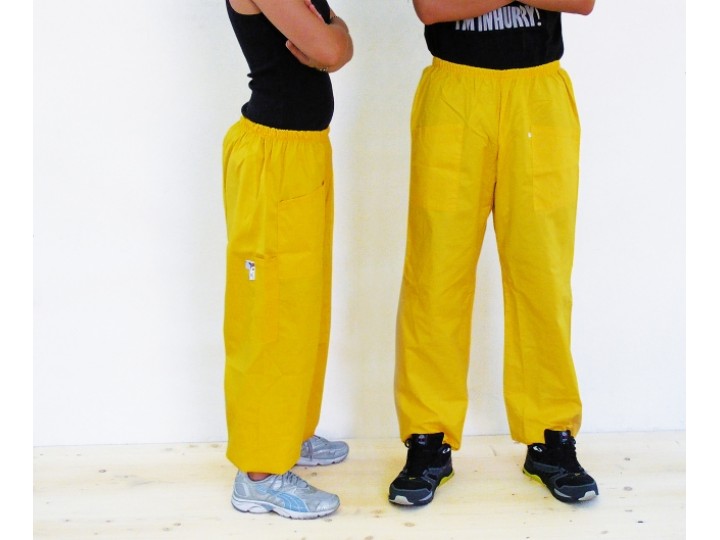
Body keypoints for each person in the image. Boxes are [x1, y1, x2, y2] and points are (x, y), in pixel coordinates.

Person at [389, 0, 599, 506]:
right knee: (435, 276)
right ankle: (428, 438)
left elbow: (583, 2)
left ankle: (550, 436)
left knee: (543, 274)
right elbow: (431, 7)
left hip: (538, 93)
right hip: (455, 91)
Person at [221, 0, 353, 520]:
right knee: (269, 320)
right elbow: (331, 49)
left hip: (302, 152)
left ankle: (288, 435)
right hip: (273, 159)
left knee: (302, 309)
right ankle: (259, 473)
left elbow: (334, 46)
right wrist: (334, 38)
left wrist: (334, 40)